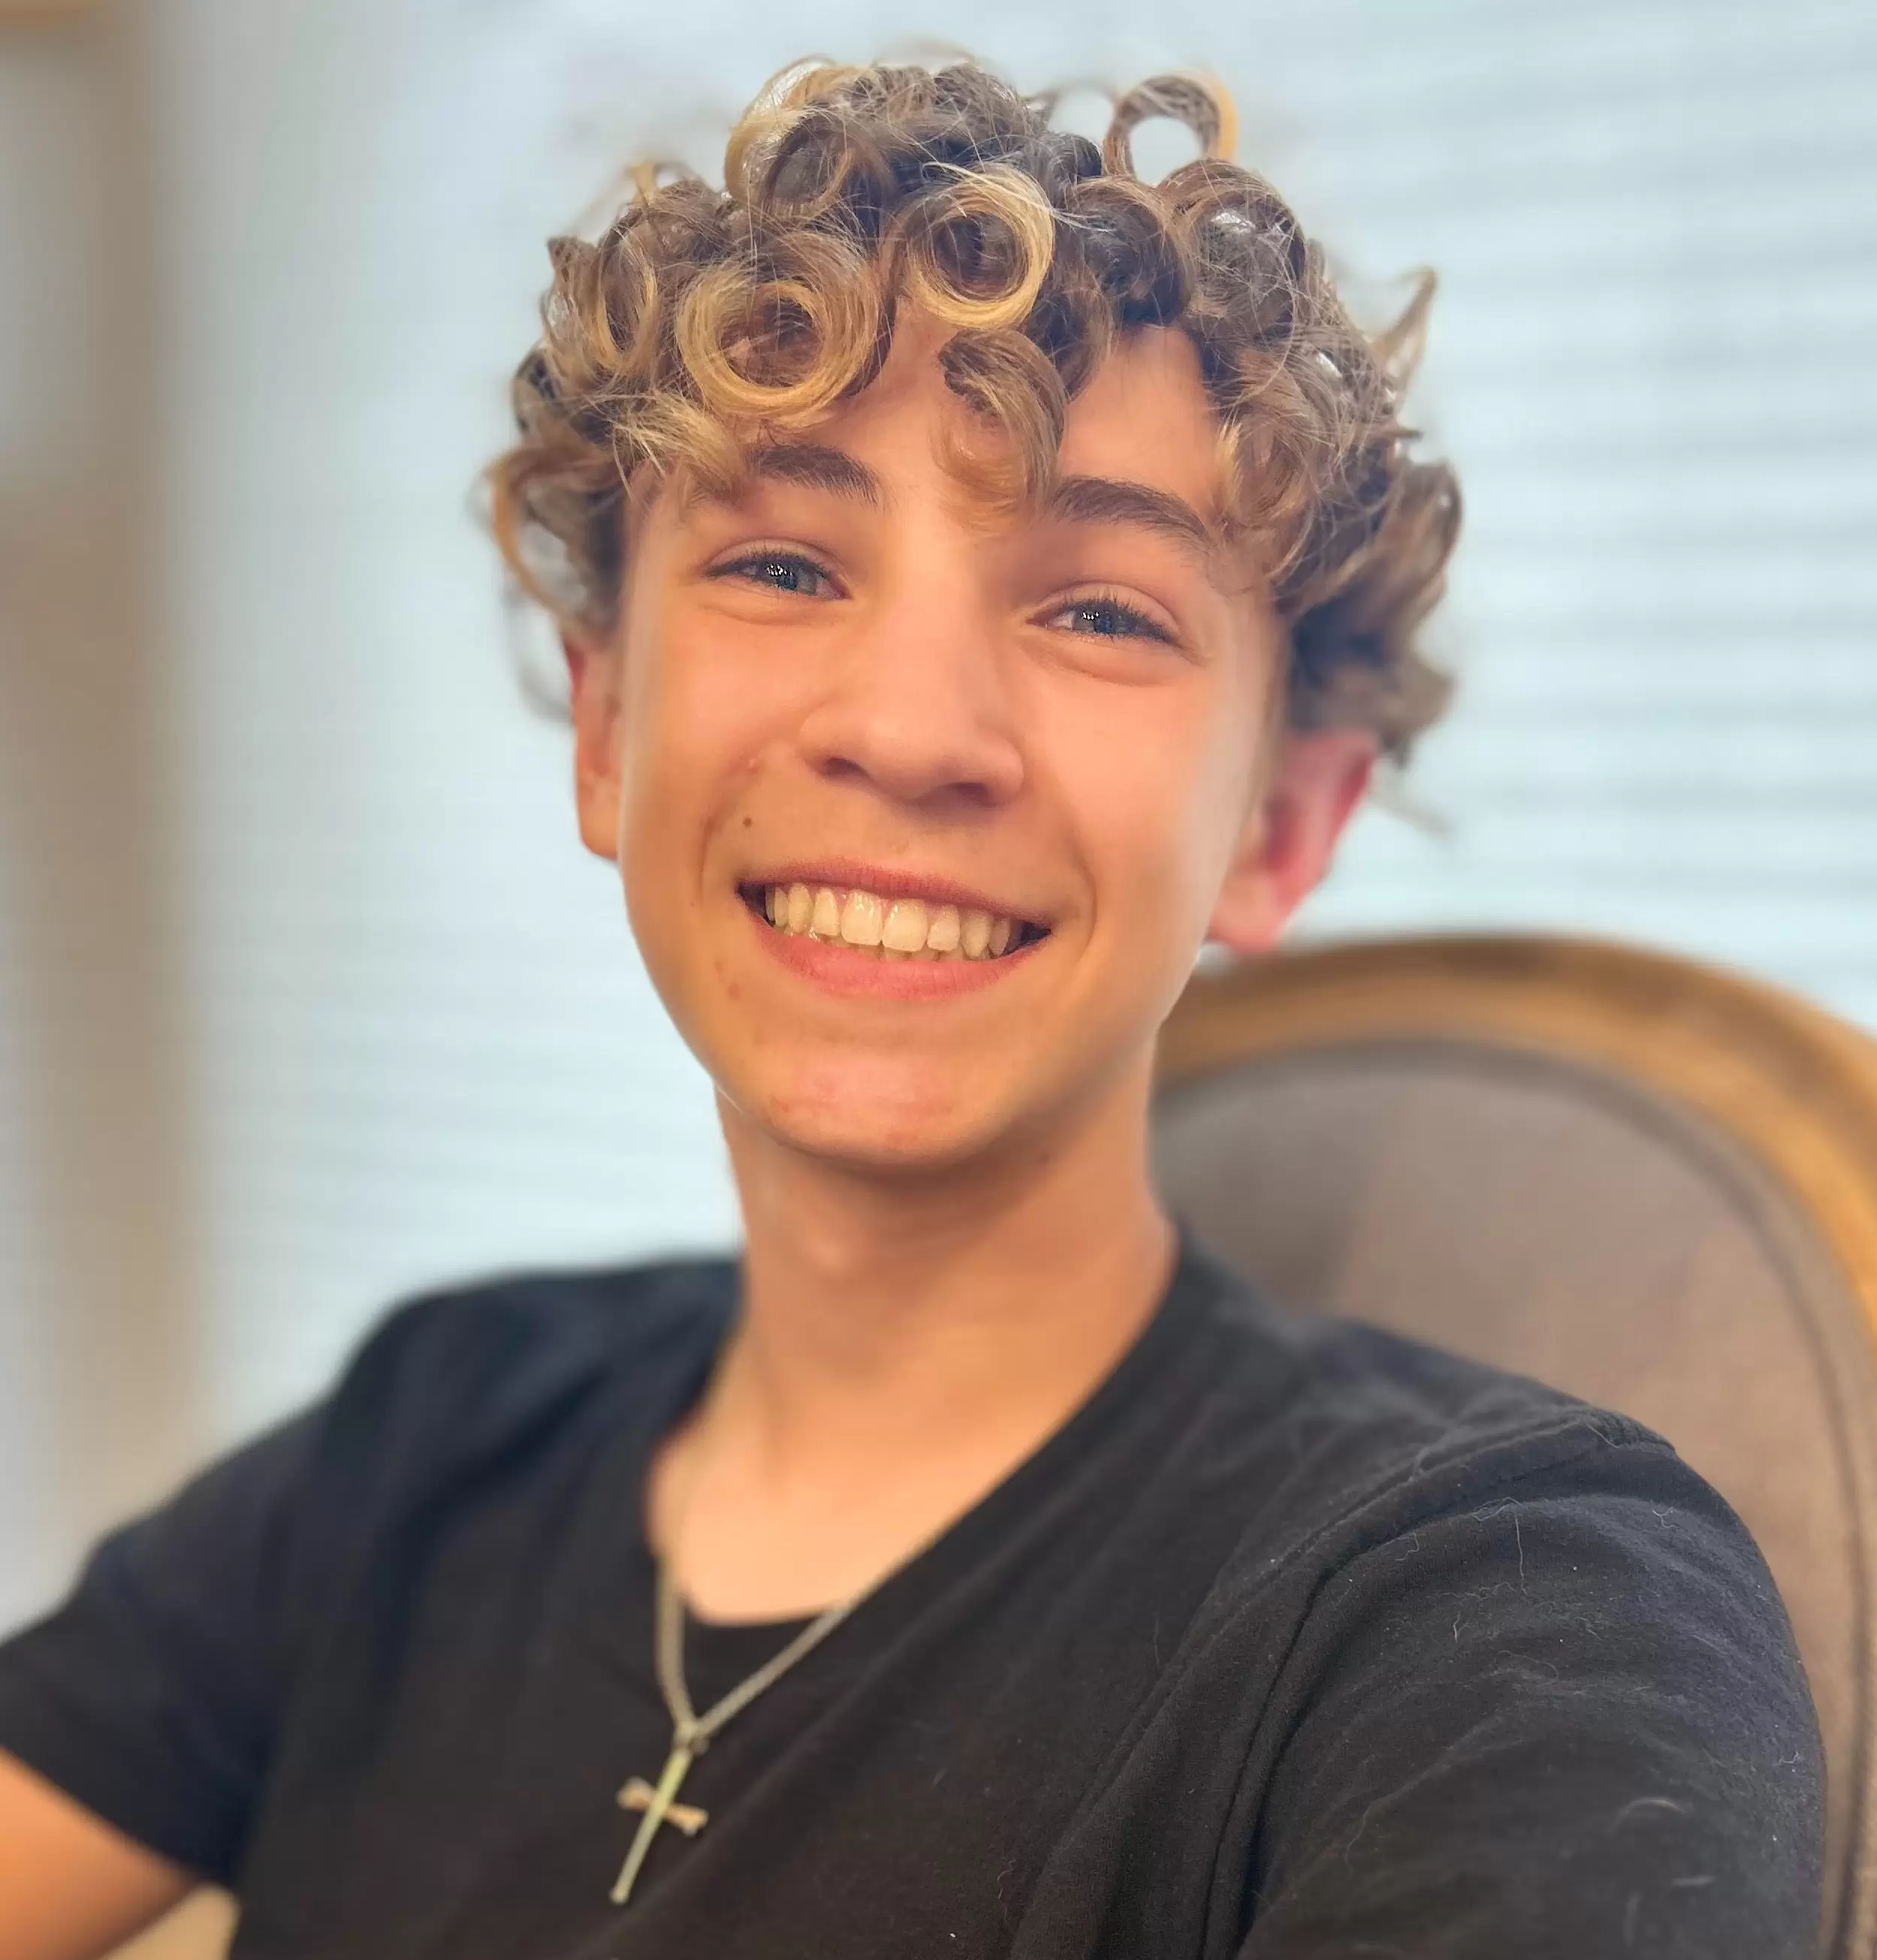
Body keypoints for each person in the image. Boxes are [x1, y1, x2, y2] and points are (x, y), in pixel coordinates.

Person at [0, 56, 1823, 1960]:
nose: (908, 727)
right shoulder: (431, 1440)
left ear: (1279, 824)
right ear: (610, 726)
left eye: (1101, 611)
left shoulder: (1506, 1616)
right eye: (784, 564)